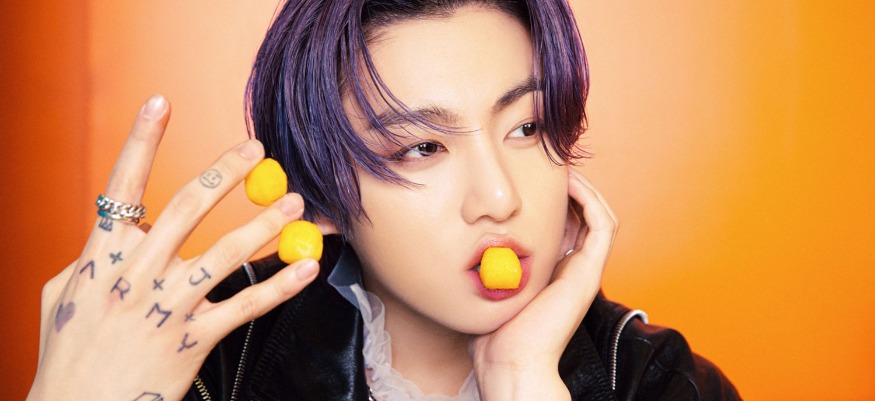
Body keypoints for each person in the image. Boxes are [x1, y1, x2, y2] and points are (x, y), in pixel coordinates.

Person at [27, 0, 741, 400]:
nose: (498, 198)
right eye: (420, 147)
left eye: (526, 127)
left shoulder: (661, 383)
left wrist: (521, 379)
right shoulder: (204, 361)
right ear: (322, 194)